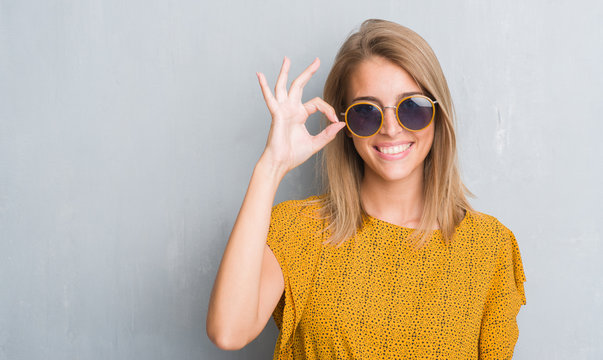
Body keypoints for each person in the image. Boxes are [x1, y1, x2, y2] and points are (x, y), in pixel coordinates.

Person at [206, 19, 527, 359]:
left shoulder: (488, 246)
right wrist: (271, 166)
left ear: (438, 115)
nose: (390, 128)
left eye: (412, 108)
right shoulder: (298, 230)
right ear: (344, 124)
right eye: (366, 113)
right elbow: (228, 332)